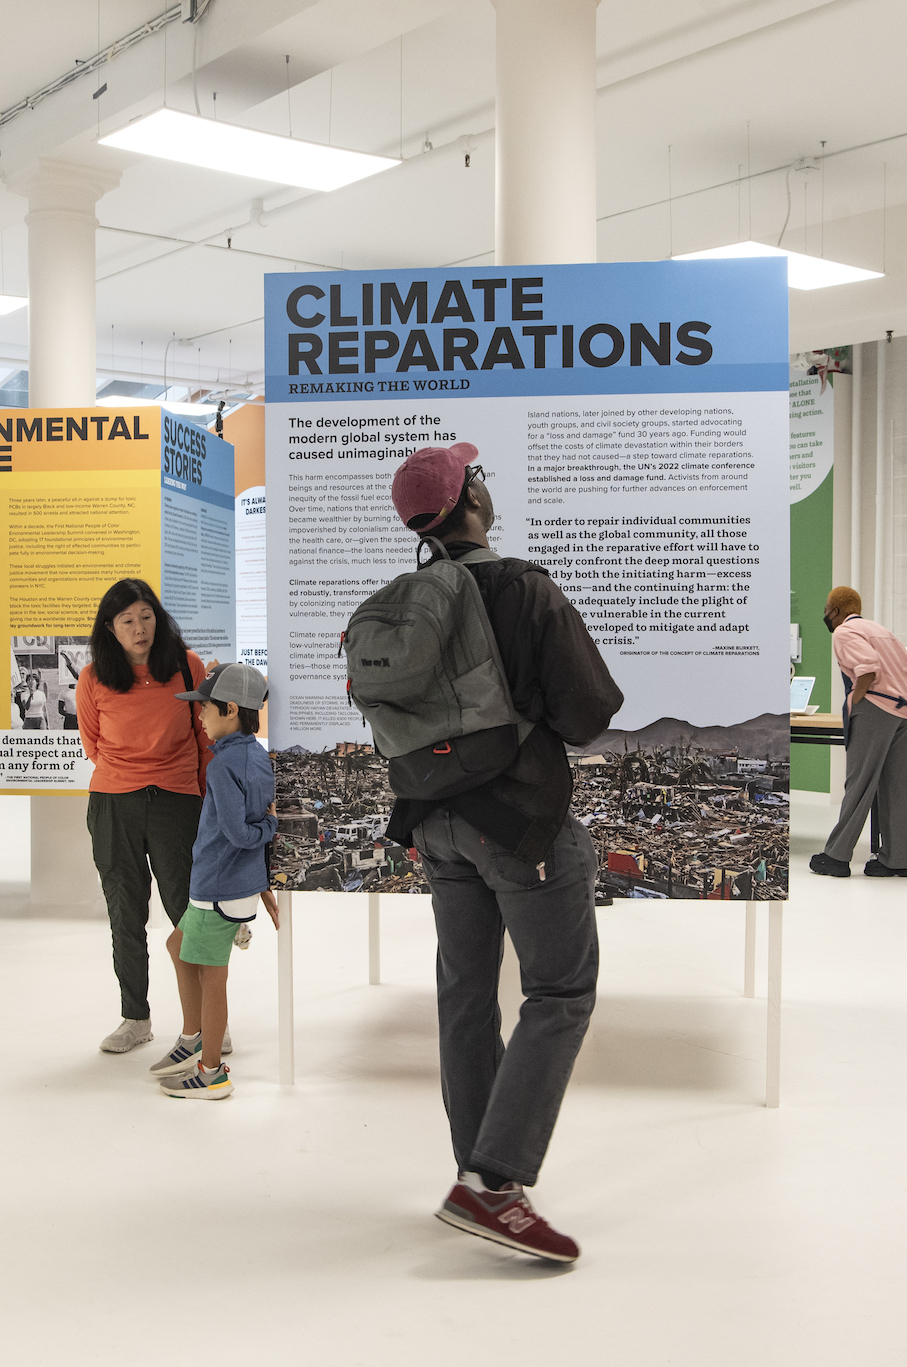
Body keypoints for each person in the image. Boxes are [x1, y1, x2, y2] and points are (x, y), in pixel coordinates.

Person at [382, 444, 621, 1264]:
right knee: (558, 991)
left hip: (436, 824)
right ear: (471, 499)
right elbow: (590, 711)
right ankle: (492, 1181)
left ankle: (472, 1169)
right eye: (477, 477)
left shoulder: (408, 602)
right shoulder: (523, 588)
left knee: (465, 993)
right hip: (521, 823)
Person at [76, 579, 211, 1054]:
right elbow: (93, 744)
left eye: (146, 616)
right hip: (115, 803)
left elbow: (204, 738)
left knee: (189, 914)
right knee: (124, 913)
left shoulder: (187, 666)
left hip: (177, 801)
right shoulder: (93, 677)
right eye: (127, 620)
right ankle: (135, 1017)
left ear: (159, 617)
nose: (139, 628)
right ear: (110, 628)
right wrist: (129, 772)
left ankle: (207, 1022)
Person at [149, 663, 278, 1099]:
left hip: (218, 885)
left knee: (212, 977)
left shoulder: (223, 767)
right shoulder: (255, 755)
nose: (199, 717)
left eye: (204, 709)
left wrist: (268, 830)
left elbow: (242, 832)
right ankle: (193, 1041)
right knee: (177, 947)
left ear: (229, 709)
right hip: (230, 885)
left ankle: (210, 1071)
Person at [809, 586, 907, 878]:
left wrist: (857, 698)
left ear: (836, 611)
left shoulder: (844, 632)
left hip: (875, 708)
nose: (825, 615)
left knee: (859, 782)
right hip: (906, 711)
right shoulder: (880, 630)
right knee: (900, 786)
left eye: (826, 609)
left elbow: (868, 669)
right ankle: (900, 859)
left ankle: (836, 856)